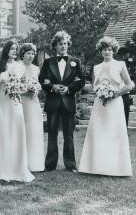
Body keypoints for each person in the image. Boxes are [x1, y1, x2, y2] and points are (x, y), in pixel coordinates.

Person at [0, 40, 35, 182]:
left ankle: (15, 168)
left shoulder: (20, 66)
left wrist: (20, 88)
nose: (14, 51)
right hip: (2, 103)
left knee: (14, 131)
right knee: (1, 131)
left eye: (16, 49)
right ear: (6, 50)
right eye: (12, 49)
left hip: (15, 103)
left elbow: (24, 86)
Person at [79, 36, 133, 176]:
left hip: (115, 103)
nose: (107, 52)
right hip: (100, 104)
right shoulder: (96, 67)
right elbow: (94, 85)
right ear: (100, 51)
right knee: (98, 132)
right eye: (104, 50)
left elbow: (129, 85)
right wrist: (100, 91)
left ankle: (115, 168)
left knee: (113, 133)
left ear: (114, 51)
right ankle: (96, 167)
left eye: (109, 49)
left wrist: (114, 94)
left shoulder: (120, 64)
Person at [39, 31, 85, 172]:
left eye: (65, 43)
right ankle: (50, 165)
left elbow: (81, 80)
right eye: (60, 44)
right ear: (55, 46)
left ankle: (70, 165)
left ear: (68, 45)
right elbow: (42, 79)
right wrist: (52, 87)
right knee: (52, 134)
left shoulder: (75, 62)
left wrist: (69, 88)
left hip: (68, 102)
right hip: (53, 102)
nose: (63, 46)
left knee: (68, 134)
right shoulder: (48, 62)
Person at [19, 43, 45, 172]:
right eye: (28, 53)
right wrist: (25, 89)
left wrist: (36, 88)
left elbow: (38, 83)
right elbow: (14, 86)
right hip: (21, 102)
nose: (31, 56)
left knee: (33, 130)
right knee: (22, 130)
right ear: (22, 54)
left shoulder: (36, 68)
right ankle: (21, 162)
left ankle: (34, 163)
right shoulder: (17, 67)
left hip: (33, 102)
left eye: (33, 53)